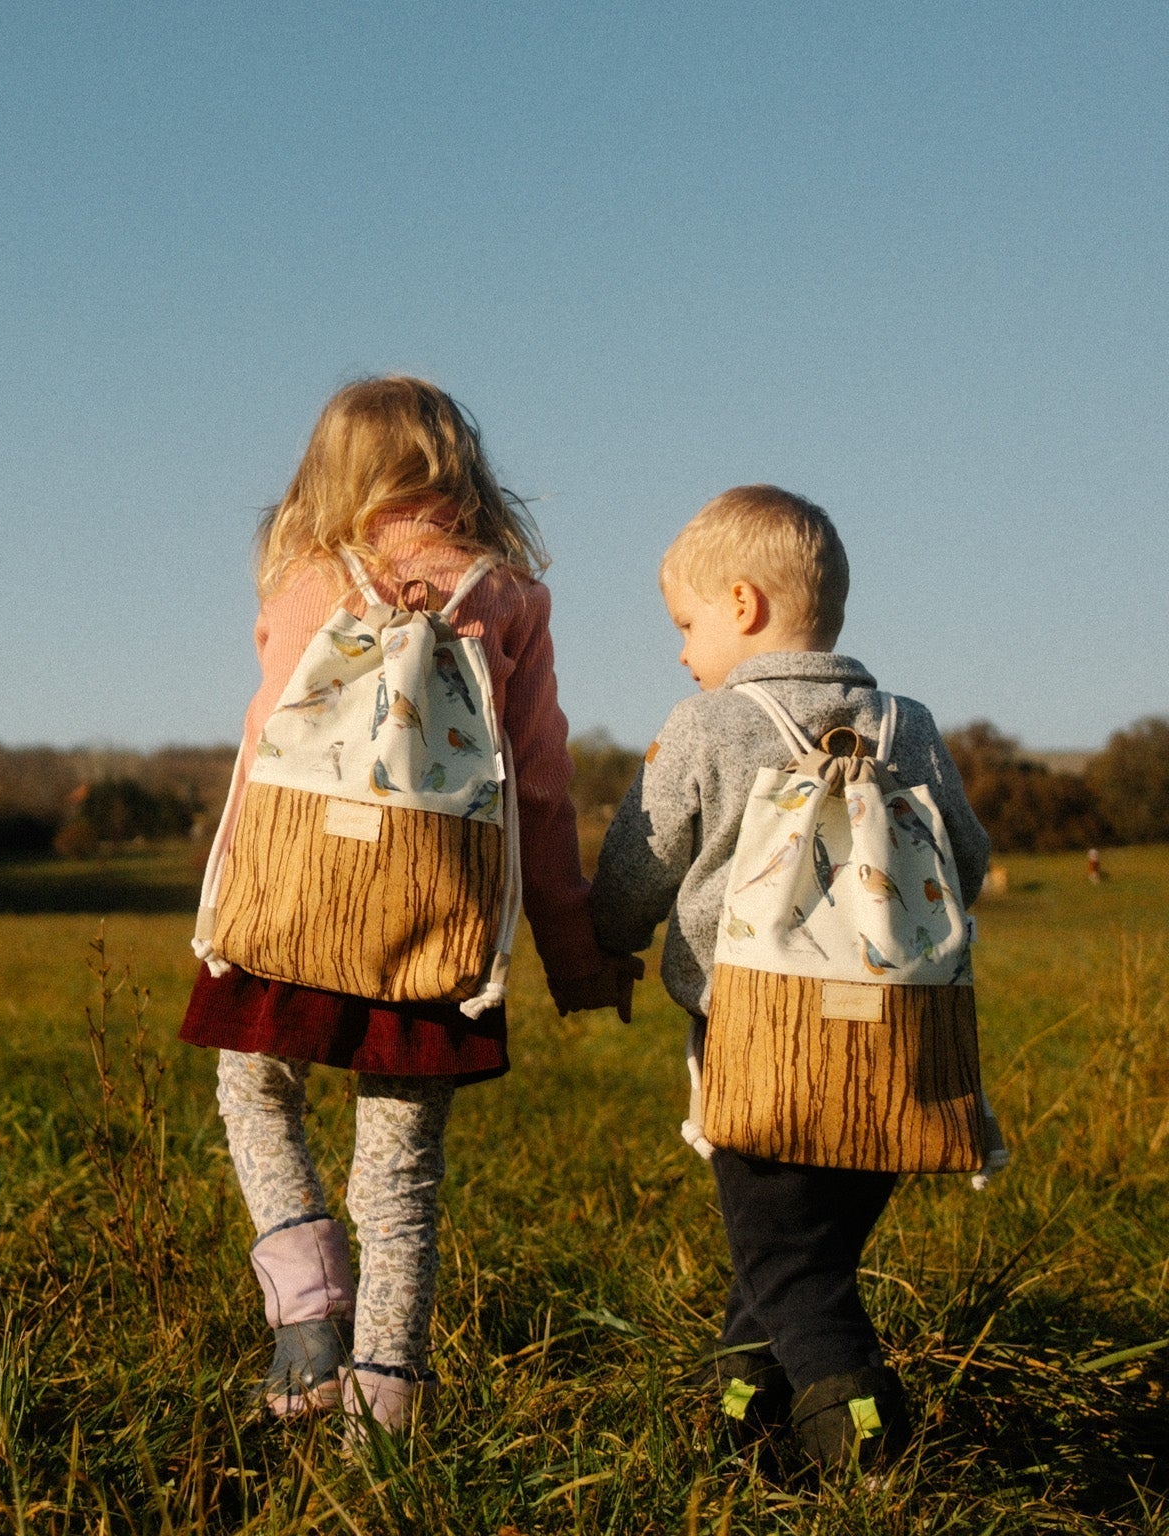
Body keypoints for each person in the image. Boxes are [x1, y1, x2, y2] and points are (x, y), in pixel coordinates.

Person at [180, 376, 634, 1435]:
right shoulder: (508, 597)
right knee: (400, 1170)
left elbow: (261, 753)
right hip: (435, 924)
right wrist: (574, 957)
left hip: (293, 910)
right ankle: (386, 1406)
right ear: (461, 470)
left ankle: (307, 1308)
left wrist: (228, 903)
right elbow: (542, 791)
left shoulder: (307, 582)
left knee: (254, 1089)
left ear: (328, 475)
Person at [589, 485, 991, 1473]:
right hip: (898, 1048)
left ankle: (866, 1440)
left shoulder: (708, 724)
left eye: (685, 626)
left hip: (760, 1046)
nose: (682, 651)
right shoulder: (908, 725)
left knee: (789, 1265)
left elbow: (640, 861)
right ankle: (748, 1413)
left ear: (743, 604)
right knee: (800, 1249)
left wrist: (609, 934)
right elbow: (968, 859)